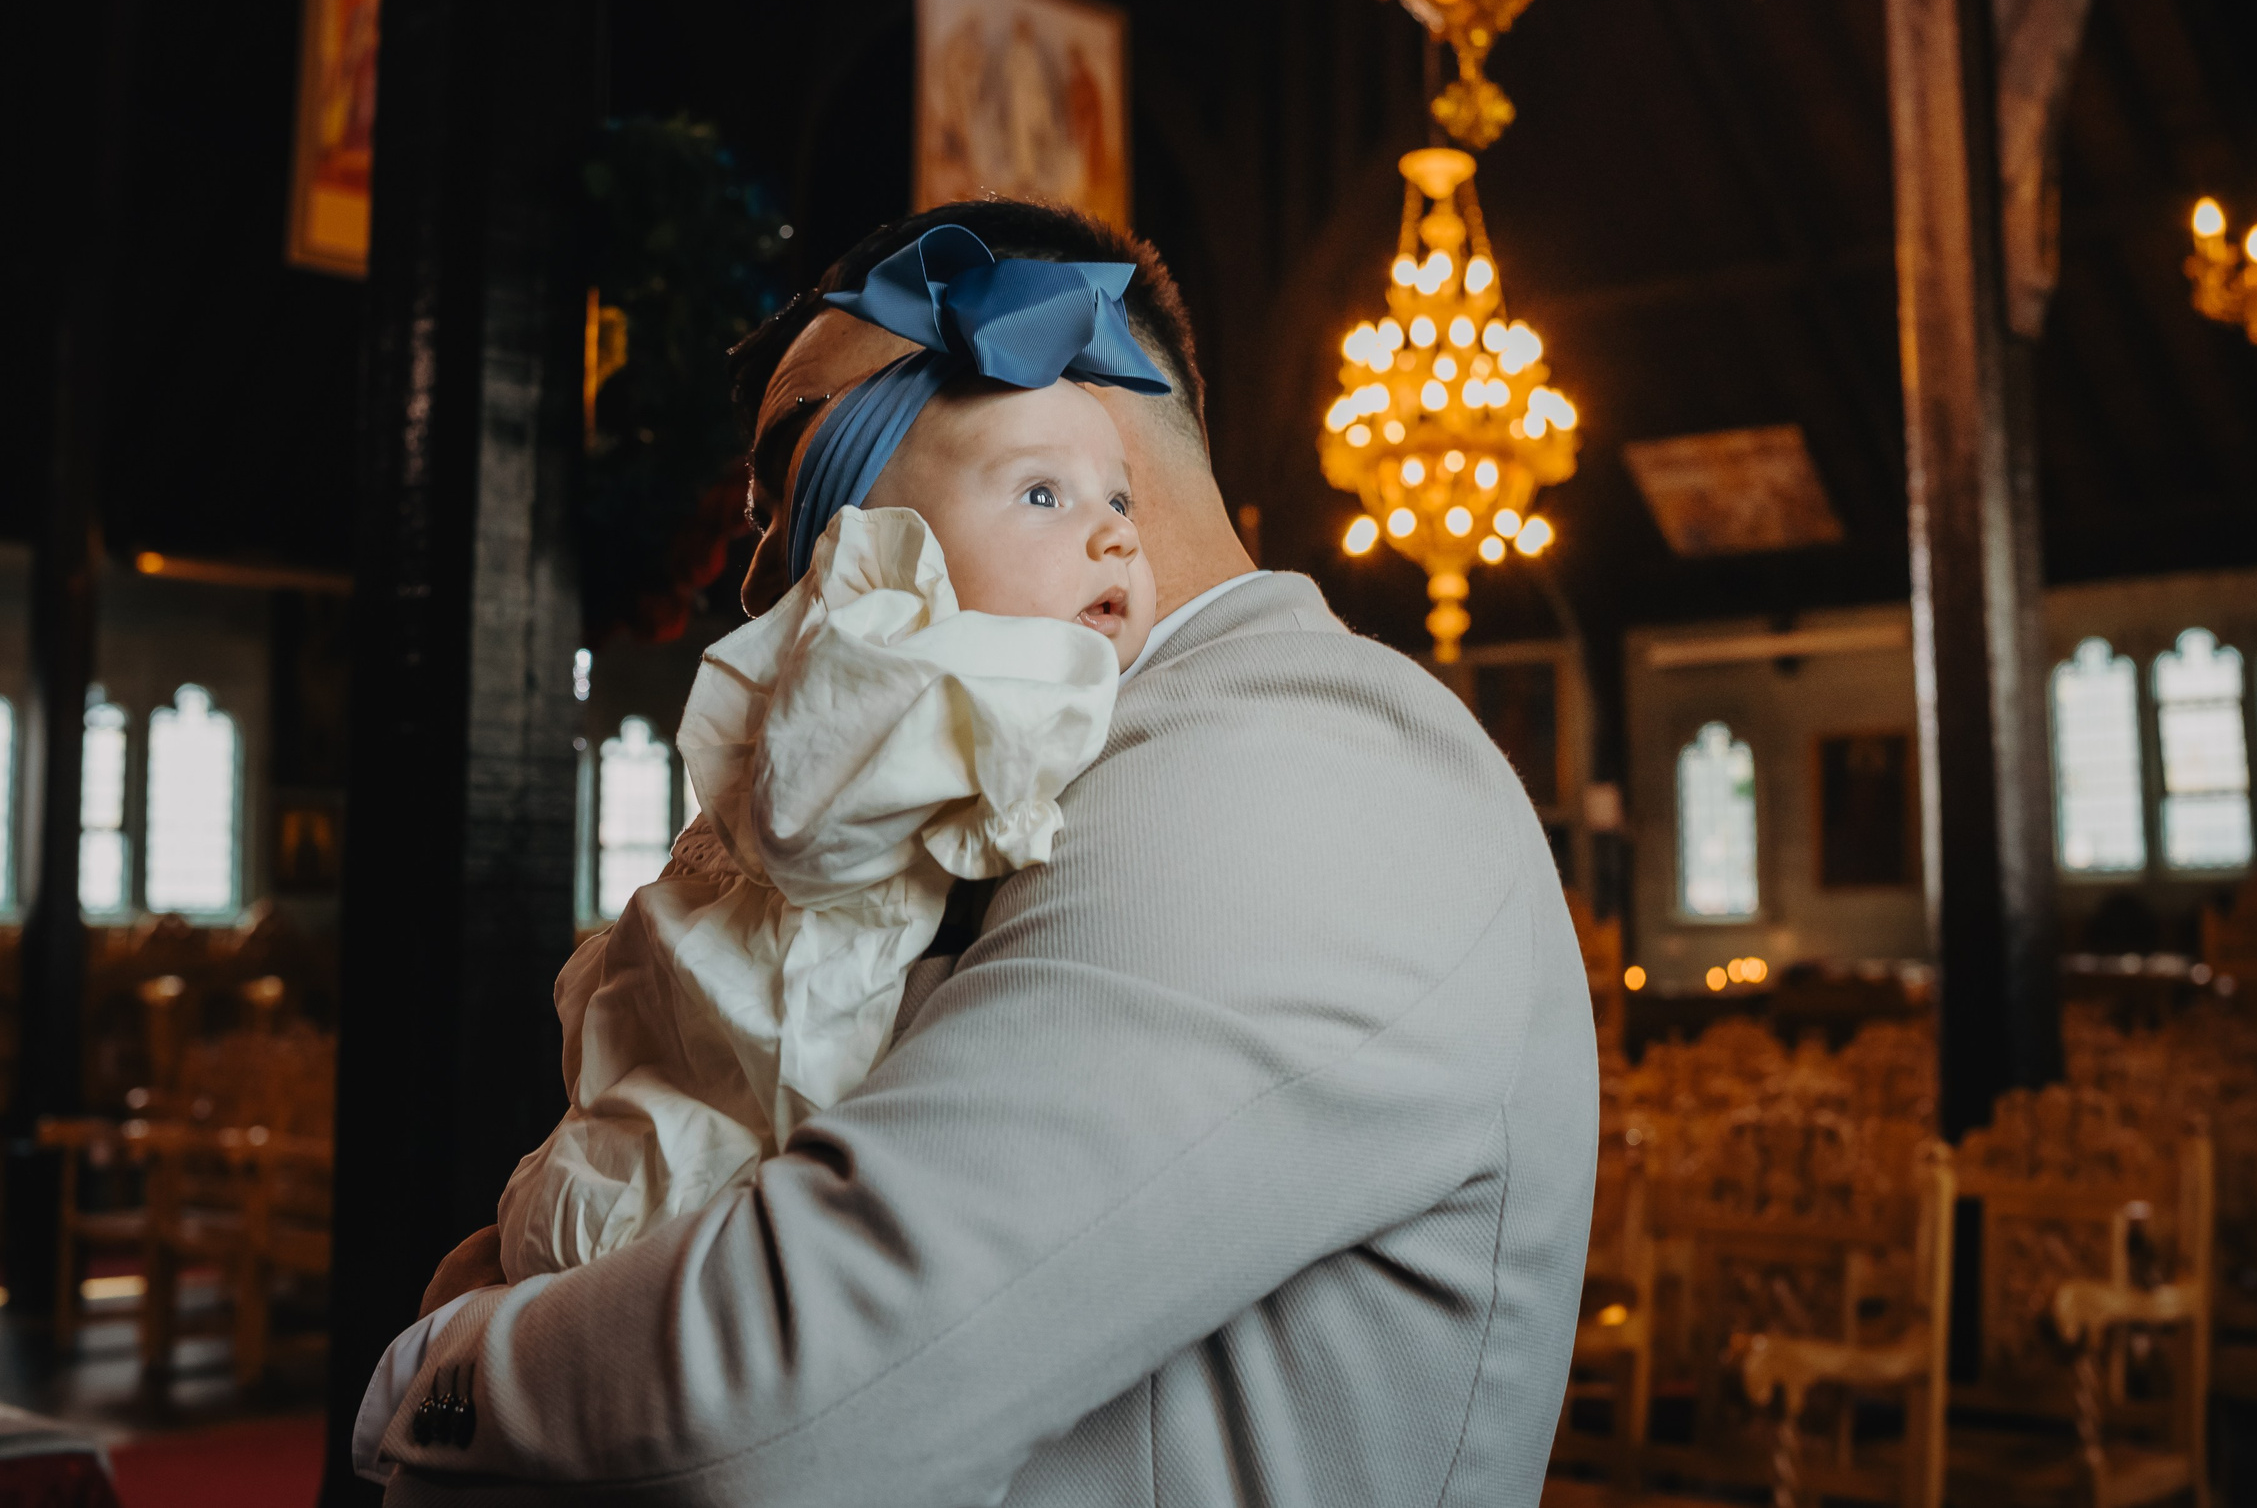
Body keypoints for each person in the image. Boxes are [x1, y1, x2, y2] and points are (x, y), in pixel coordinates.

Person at [357, 199, 1599, 1506]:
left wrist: (447, 1362)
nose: (760, 566)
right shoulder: (1020, 779)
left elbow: (801, 1390)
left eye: (802, 472)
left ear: (1046, 416)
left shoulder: (1316, 754)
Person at [494, 225, 1168, 1279]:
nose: (1115, 534)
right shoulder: (884, 673)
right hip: (686, 1167)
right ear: (885, 557)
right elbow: (826, 811)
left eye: (1118, 499)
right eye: (1043, 496)